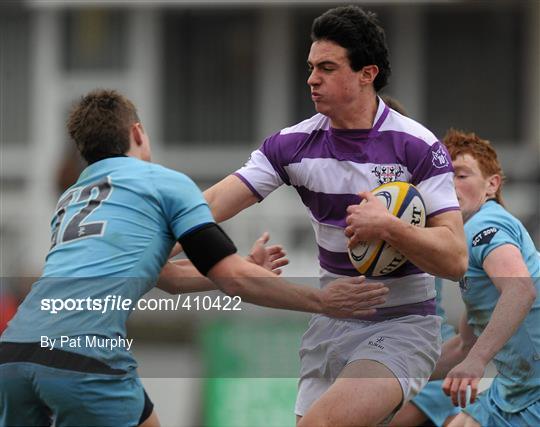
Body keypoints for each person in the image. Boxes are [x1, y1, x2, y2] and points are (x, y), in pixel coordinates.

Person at [0, 89, 389, 427]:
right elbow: (230, 278)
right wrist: (321, 300)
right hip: (83, 351)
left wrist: (246, 267)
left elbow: (167, 277)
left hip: (16, 351)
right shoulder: (164, 183)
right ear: (137, 132)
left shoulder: (70, 200)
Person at [203, 6, 468, 426]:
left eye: (327, 68)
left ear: (367, 73)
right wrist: (153, 237)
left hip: (403, 326)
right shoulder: (293, 146)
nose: (311, 79)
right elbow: (212, 204)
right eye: (310, 67)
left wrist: (388, 227)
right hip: (330, 324)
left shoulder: (417, 145)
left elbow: (455, 258)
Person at [429, 129, 540, 427]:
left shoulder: (484, 222)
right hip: (515, 391)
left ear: (492, 185)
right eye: (443, 177)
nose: (450, 185)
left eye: (462, 175)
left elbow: (519, 290)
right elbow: (464, 346)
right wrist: (397, 378)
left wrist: (476, 362)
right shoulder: (468, 242)